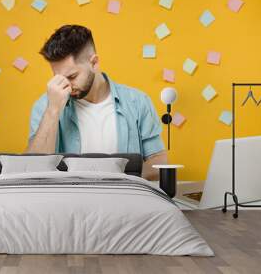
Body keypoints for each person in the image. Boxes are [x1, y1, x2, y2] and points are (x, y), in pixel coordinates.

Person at [25, 24, 167, 180]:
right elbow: (33, 169)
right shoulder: (46, 106)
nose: (66, 86)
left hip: (123, 199)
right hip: (67, 201)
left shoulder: (137, 102)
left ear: (94, 63)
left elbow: (159, 163)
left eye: (72, 77)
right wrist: (53, 111)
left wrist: (113, 176)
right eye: (58, 78)